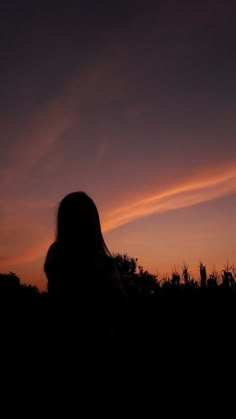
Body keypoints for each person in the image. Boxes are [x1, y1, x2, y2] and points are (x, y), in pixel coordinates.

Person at [44, 191, 128, 347]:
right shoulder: (58, 259)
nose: (81, 225)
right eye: (76, 220)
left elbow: (121, 309)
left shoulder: (105, 266)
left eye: (84, 220)